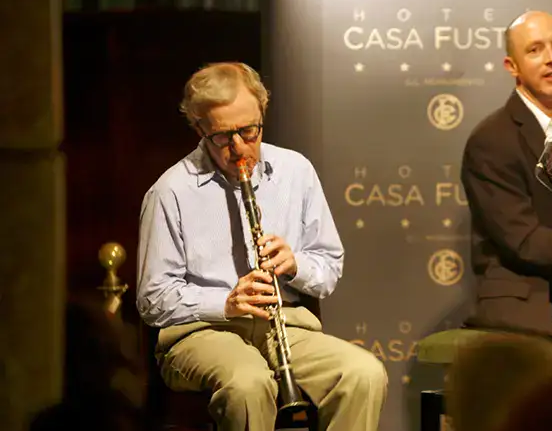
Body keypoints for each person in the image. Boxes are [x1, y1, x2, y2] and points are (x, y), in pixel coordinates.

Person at [136, 62, 387, 431]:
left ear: (262, 113)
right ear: (199, 128)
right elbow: (153, 299)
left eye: (249, 131)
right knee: (249, 385)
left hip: (285, 324)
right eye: (223, 136)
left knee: (364, 374)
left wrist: (295, 264)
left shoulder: (295, 171)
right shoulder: (170, 192)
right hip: (201, 333)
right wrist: (225, 304)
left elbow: (329, 267)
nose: (239, 148)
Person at [459, 10, 552, 338]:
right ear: (511, 66)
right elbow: (522, 240)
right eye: (535, 50)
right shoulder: (491, 139)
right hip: (528, 293)